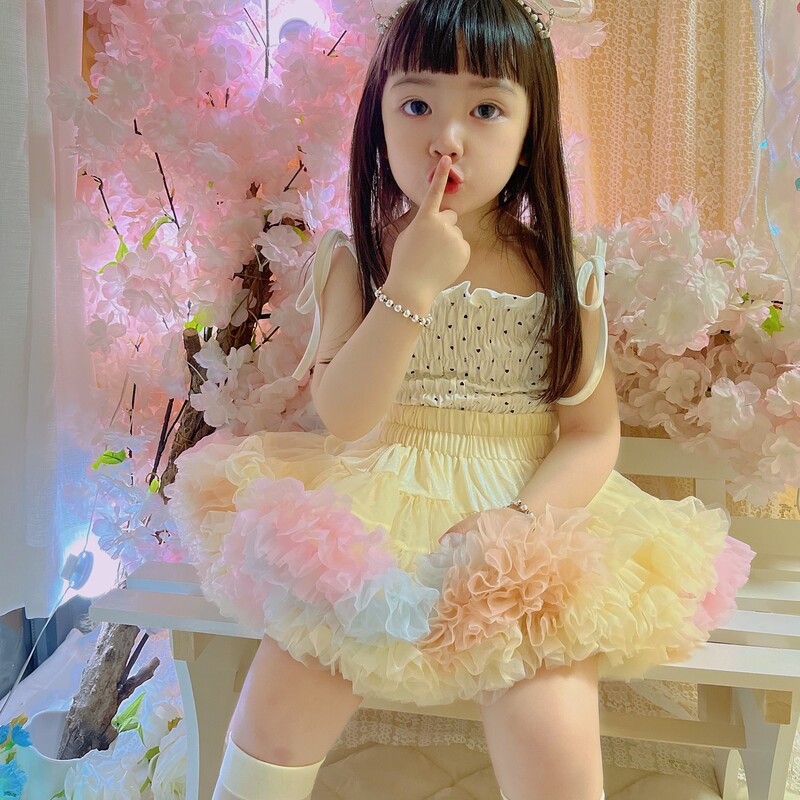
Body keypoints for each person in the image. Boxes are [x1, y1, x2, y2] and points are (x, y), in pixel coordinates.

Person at [165, 1, 755, 798]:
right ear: (378, 120)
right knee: (279, 707)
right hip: (366, 514)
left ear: (529, 131)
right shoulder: (356, 258)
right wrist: (409, 285)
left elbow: (590, 435)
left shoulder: (561, 271)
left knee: (552, 730)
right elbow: (345, 417)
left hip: (522, 519)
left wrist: (520, 522)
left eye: (485, 109)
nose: (447, 138)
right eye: (417, 105)